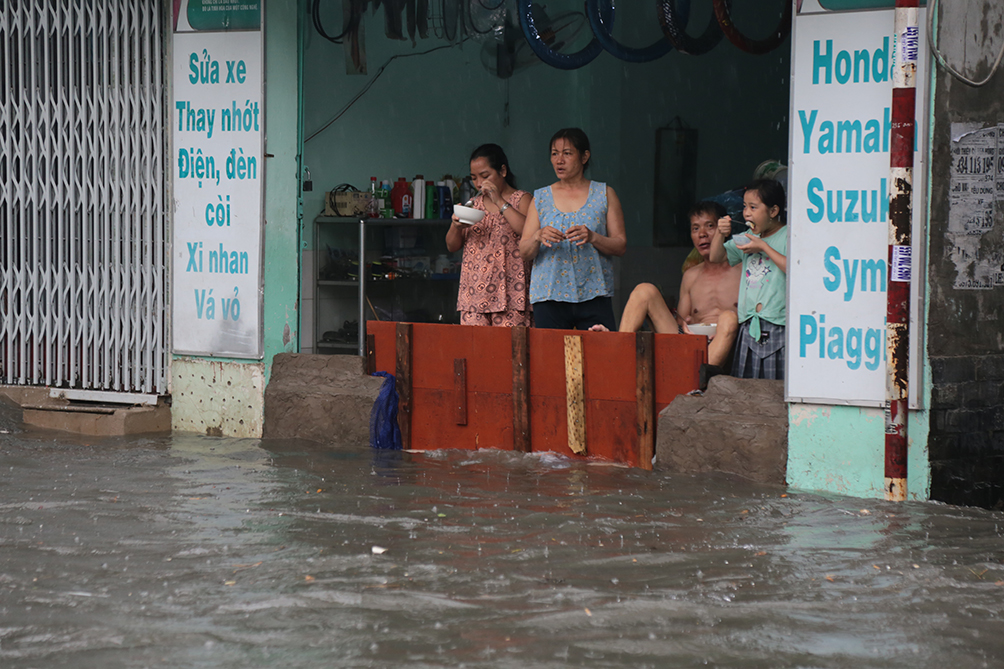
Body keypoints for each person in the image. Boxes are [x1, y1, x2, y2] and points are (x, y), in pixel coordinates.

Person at [595, 201, 740, 374]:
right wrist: (685, 326)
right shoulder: (691, 275)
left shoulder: (741, 269)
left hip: (724, 346)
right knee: (644, 290)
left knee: (729, 318)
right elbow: (681, 321)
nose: (702, 234)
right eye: (695, 228)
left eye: (710, 226)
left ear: (724, 229)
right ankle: (618, 351)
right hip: (690, 344)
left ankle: (698, 377)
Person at [518, 128, 626, 330]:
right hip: (549, 295)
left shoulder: (604, 194)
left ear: (585, 156)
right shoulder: (540, 198)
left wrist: (594, 237)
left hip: (594, 293)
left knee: (601, 356)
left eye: (567, 153)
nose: (559, 160)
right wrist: (538, 236)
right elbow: (524, 251)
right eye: (554, 153)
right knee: (551, 358)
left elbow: (620, 245)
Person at [446, 144, 533, 326]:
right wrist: (456, 226)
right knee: (475, 351)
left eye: (485, 176)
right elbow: (451, 245)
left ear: (502, 171)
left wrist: (499, 201)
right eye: (474, 178)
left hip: (511, 295)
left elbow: (528, 231)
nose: (479, 183)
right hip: (474, 296)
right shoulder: (473, 204)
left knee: (511, 350)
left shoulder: (522, 199)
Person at [709, 178, 787, 379]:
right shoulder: (746, 236)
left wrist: (763, 247)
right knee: (747, 391)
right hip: (749, 326)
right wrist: (720, 233)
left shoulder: (789, 236)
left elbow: (795, 269)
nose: (746, 213)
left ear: (773, 211)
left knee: (774, 392)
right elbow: (716, 257)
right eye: (745, 207)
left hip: (778, 325)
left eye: (753, 207)